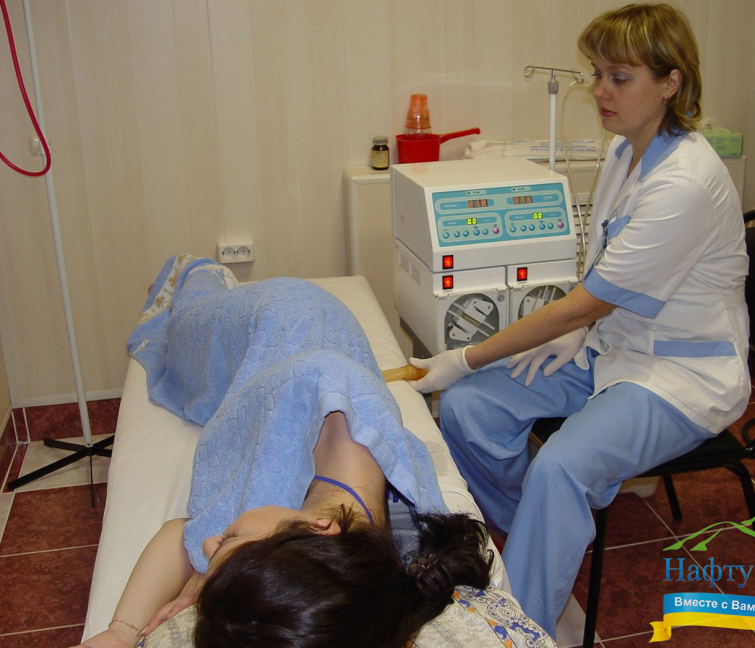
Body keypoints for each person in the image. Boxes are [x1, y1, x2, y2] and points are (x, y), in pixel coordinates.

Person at [409, 3, 750, 638]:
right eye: (596, 74)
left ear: (671, 82)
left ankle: (525, 627)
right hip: (612, 347)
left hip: (680, 373)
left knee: (560, 466)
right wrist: (576, 331)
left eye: (619, 77)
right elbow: (602, 271)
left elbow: (589, 299)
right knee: (467, 408)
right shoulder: (625, 151)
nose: (599, 91)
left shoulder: (685, 182)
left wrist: (466, 356)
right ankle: (540, 539)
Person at [76, 255, 494, 648]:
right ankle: (198, 269)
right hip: (282, 316)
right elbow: (178, 536)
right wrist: (141, 617)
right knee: (183, 326)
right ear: (317, 527)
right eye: (228, 538)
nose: (207, 544)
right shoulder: (278, 462)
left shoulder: (352, 575)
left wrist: (123, 632)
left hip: (307, 354)